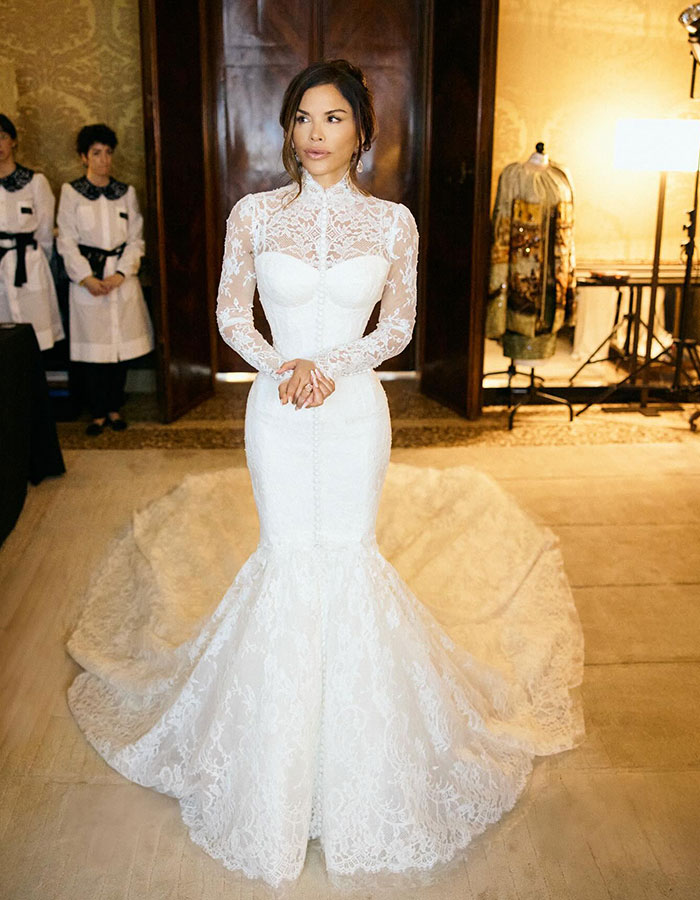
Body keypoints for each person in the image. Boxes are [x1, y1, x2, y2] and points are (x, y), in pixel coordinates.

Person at [66, 61, 584, 886]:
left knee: (347, 559)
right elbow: (231, 311)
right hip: (277, 411)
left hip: (350, 416)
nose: (313, 134)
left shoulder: (392, 223)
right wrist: (282, 368)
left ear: (362, 131)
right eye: (301, 118)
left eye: (333, 118)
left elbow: (403, 323)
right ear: (286, 128)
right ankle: (274, 770)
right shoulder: (253, 214)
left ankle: (357, 770)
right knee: (287, 559)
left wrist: (328, 367)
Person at [56, 123, 153, 435]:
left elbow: (136, 239)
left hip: (120, 280)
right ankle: (96, 412)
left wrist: (121, 274)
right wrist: (86, 277)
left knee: (119, 350)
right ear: (84, 157)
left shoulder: (125, 193)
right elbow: (66, 241)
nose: (104, 160)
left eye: (108, 153)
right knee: (94, 352)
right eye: (96, 153)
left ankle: (114, 408)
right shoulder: (71, 193)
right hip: (87, 283)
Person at [0, 113, 64, 351]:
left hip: (28, 263)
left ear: (13, 141)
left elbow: (46, 232)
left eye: (3, 137)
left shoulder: (35, 182)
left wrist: (36, 260)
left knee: (34, 337)